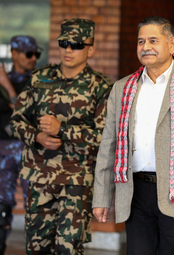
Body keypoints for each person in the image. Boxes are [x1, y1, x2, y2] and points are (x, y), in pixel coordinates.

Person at [92, 16, 174, 255]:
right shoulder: (122, 88)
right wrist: (101, 197)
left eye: (153, 40)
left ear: (172, 44)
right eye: (141, 41)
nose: (145, 47)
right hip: (135, 193)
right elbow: (108, 146)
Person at [10, 18, 113, 255]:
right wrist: (37, 136)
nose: (69, 49)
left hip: (77, 182)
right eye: (64, 43)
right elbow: (16, 121)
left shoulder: (101, 87)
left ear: (91, 49)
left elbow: (104, 138)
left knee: (68, 249)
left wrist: (63, 131)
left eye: (77, 44)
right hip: (40, 178)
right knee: (36, 249)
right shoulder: (39, 79)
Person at [0, 35, 41, 255]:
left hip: (29, 151)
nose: (33, 58)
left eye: (37, 54)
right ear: (14, 53)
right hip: (3, 149)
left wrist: (8, 89)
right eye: (28, 53)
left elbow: (30, 113)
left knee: (35, 208)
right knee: (1, 207)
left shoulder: (39, 81)